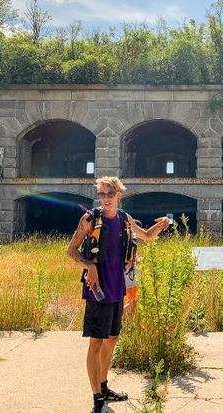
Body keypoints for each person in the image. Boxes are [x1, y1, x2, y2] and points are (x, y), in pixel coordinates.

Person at [67, 176, 171, 413]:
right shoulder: (90, 219)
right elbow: (71, 251)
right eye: (102, 194)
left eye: (110, 194)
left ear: (119, 195)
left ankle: (103, 386)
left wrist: (162, 223)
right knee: (96, 343)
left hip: (117, 288)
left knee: (111, 340)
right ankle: (96, 397)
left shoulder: (124, 219)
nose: (105, 199)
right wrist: (90, 266)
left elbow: (145, 236)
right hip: (98, 292)